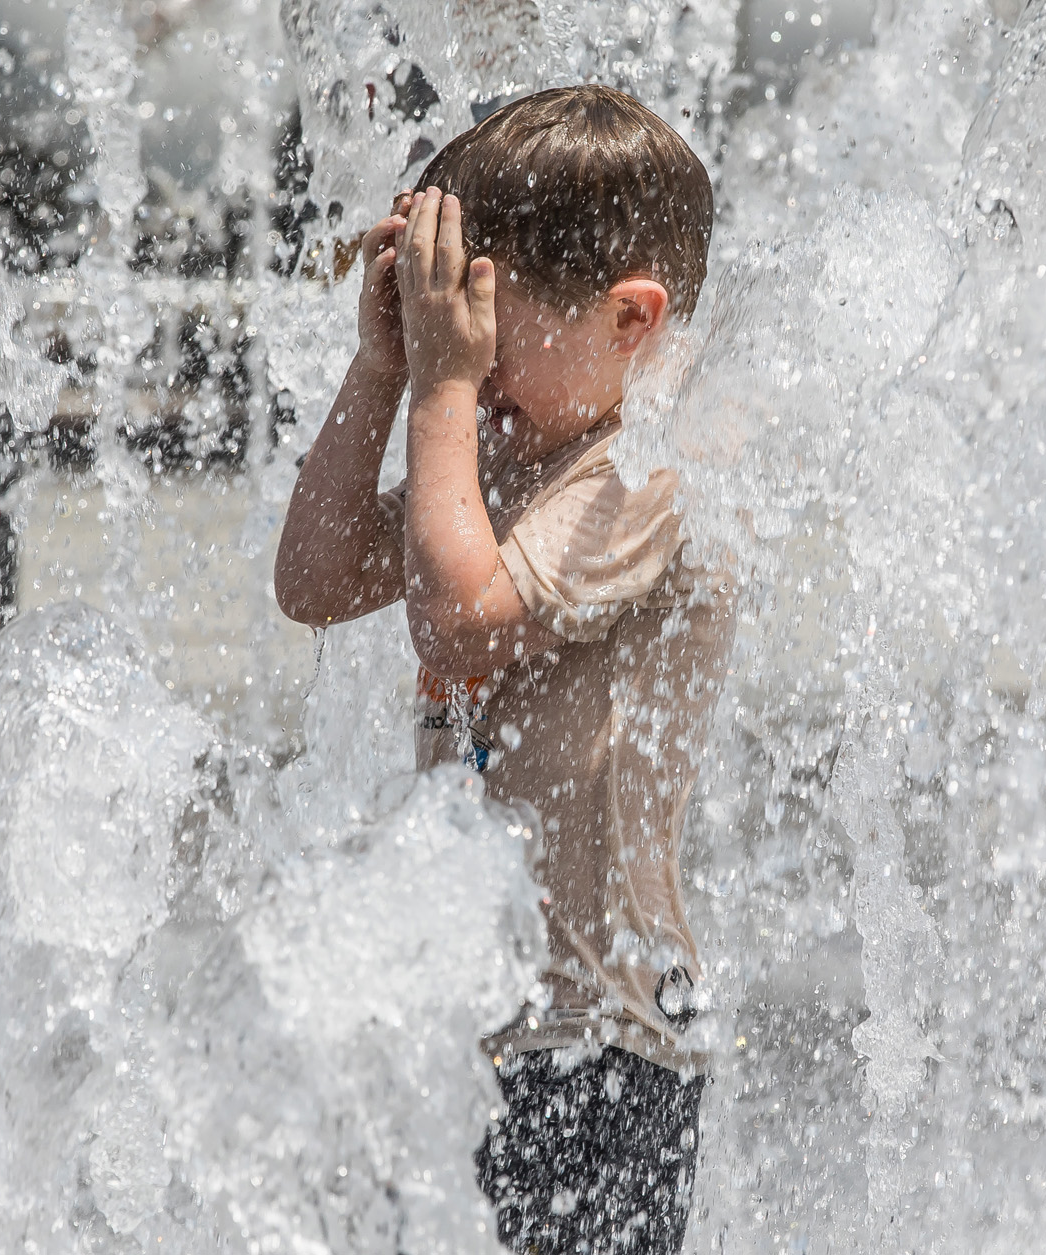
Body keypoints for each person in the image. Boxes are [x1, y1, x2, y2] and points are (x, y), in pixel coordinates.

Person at [273, 84, 736, 1254]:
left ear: (628, 321)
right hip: (481, 1027)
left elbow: (463, 621)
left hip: (602, 1043)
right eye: (449, 336)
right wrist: (386, 373)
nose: (469, 374)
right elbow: (315, 581)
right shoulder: (503, 440)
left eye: (487, 340)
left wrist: (435, 390)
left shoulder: (645, 476)